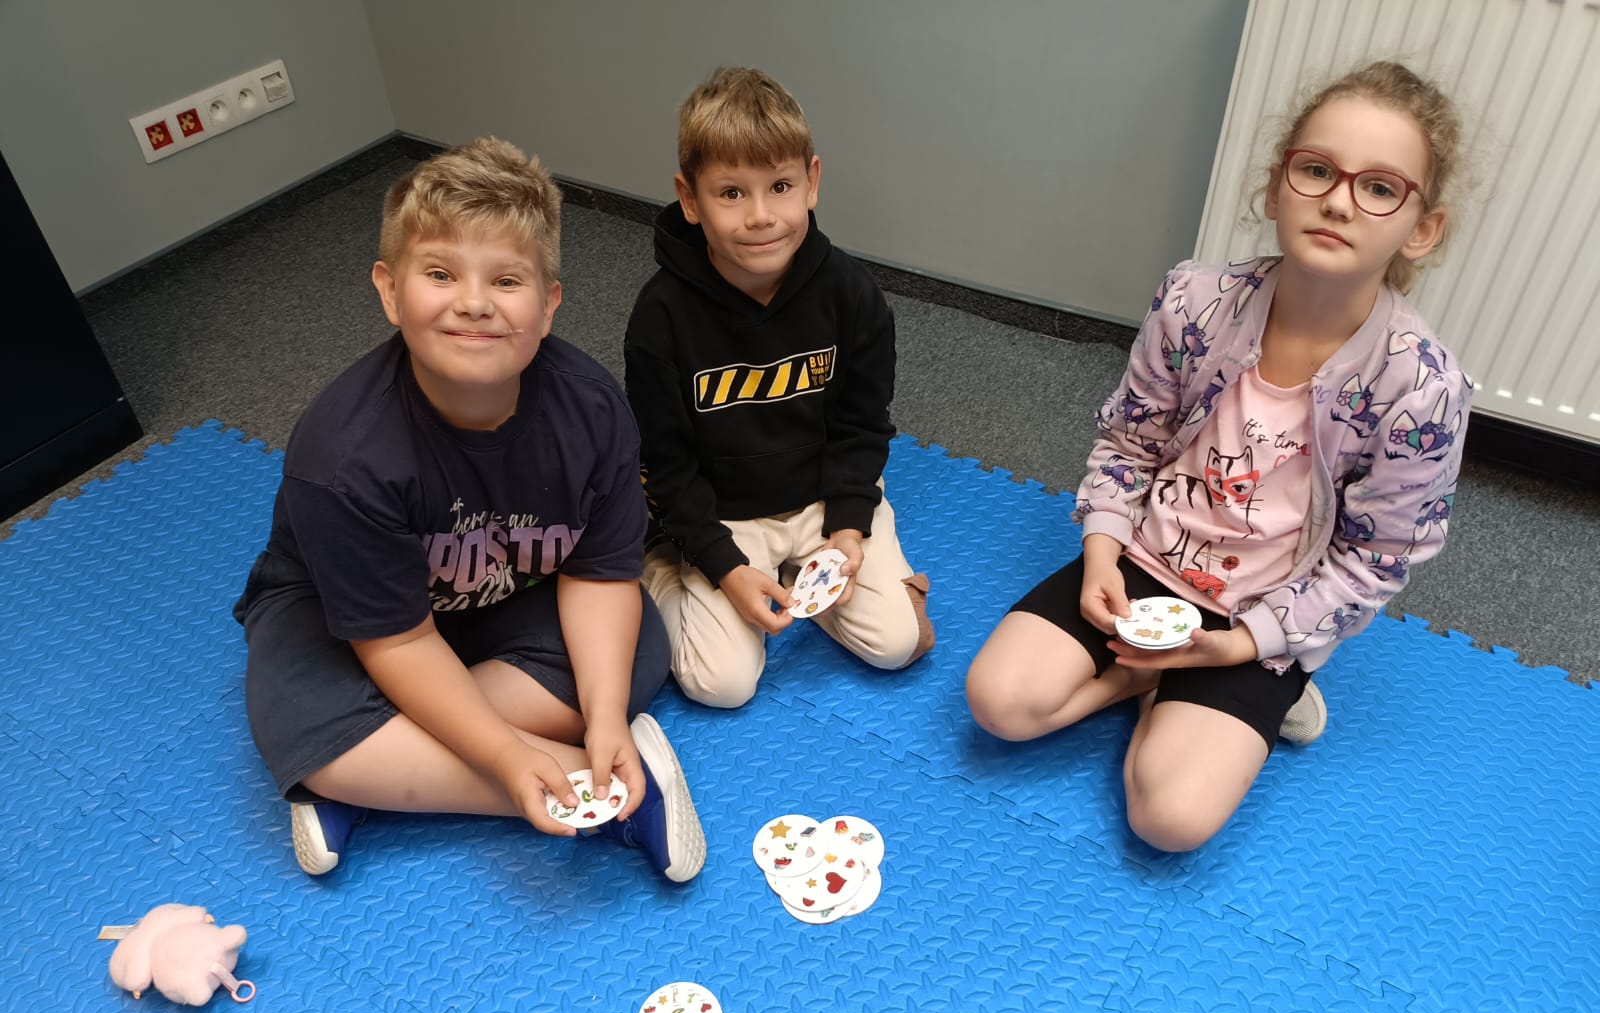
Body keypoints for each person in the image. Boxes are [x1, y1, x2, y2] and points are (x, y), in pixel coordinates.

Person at [967, 61, 1472, 853]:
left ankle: (1246, 694)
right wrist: (1101, 555)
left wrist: (1242, 645)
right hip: (1146, 565)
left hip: (1262, 613)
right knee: (998, 703)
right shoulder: (1194, 301)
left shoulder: (1423, 389)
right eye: (1317, 170)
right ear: (1276, 187)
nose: (1339, 200)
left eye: (1380, 187)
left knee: (1169, 820)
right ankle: (1140, 678)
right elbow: (1129, 443)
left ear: (1422, 228)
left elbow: (1373, 563)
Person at [232, 136, 705, 882]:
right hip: (350, 619)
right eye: (440, 273)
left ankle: (375, 781)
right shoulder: (344, 456)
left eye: (507, 280)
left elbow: (599, 575)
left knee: (636, 648)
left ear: (548, 306)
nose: (474, 302)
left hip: (504, 594)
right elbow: (398, 643)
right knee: (306, 722)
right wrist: (508, 759)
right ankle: (602, 793)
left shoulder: (592, 411)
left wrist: (607, 714)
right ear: (390, 291)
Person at [624, 66, 935, 709]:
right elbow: (668, 465)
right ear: (689, 199)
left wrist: (847, 529)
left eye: (781, 187)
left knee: (899, 644)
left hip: (822, 501)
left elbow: (862, 426)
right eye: (731, 193)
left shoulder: (851, 295)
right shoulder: (660, 318)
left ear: (812, 183)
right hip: (724, 513)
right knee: (722, 684)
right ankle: (665, 566)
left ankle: (812, 570)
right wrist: (724, 565)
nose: (761, 216)